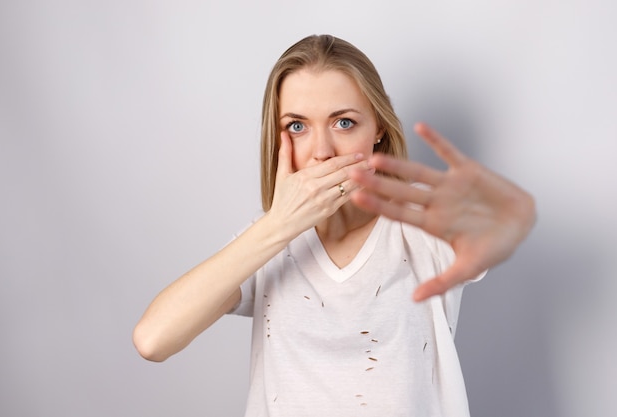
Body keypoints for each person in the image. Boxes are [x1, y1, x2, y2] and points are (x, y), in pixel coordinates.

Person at [133, 34, 536, 416]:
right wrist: (279, 226)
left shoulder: (420, 226)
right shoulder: (268, 242)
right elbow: (153, 340)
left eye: (343, 123)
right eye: (297, 126)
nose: (322, 152)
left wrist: (499, 213)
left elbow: (491, 233)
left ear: (377, 126)